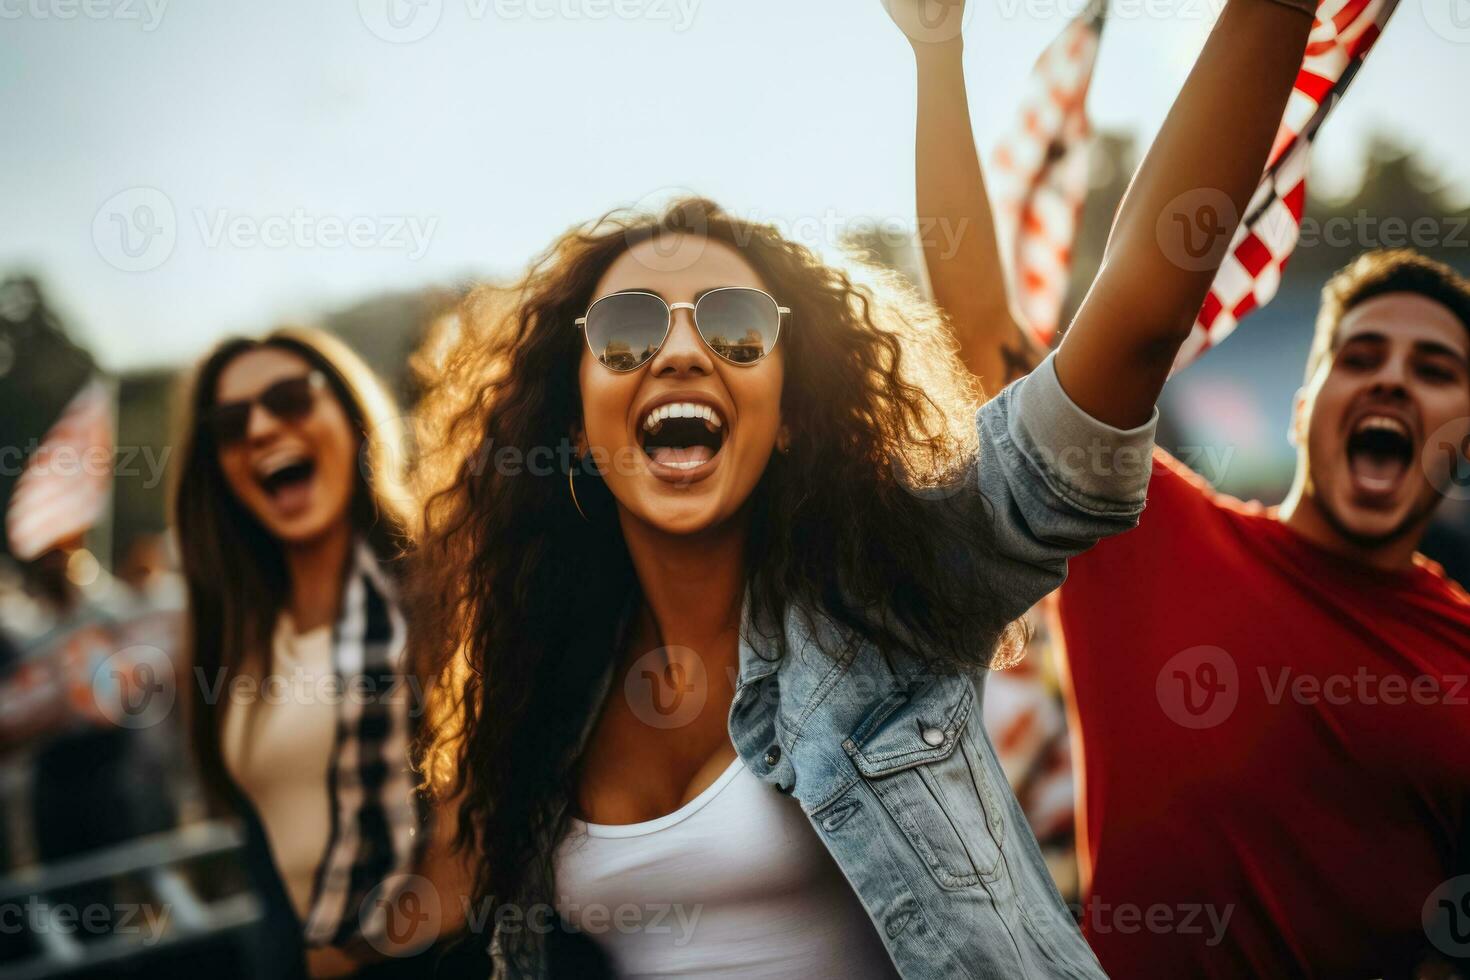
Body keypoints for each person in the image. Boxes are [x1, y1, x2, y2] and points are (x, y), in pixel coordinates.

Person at [409, 1, 1316, 975]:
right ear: (575, 423)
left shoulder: (892, 593)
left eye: (736, 328)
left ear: (792, 408)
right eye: (628, 330)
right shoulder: (539, 681)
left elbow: (1134, 320)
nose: (678, 352)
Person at [903, 12, 1470, 976]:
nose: (1391, 383)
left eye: (1436, 370)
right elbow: (984, 341)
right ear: (1302, 405)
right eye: (1361, 356)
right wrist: (937, 53)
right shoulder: (1145, 534)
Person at [171, 327, 476, 978]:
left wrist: (348, 957)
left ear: (354, 421)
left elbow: (480, 851)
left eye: (289, 399)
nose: (258, 429)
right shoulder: (234, 633)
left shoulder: (439, 596)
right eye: (228, 424)